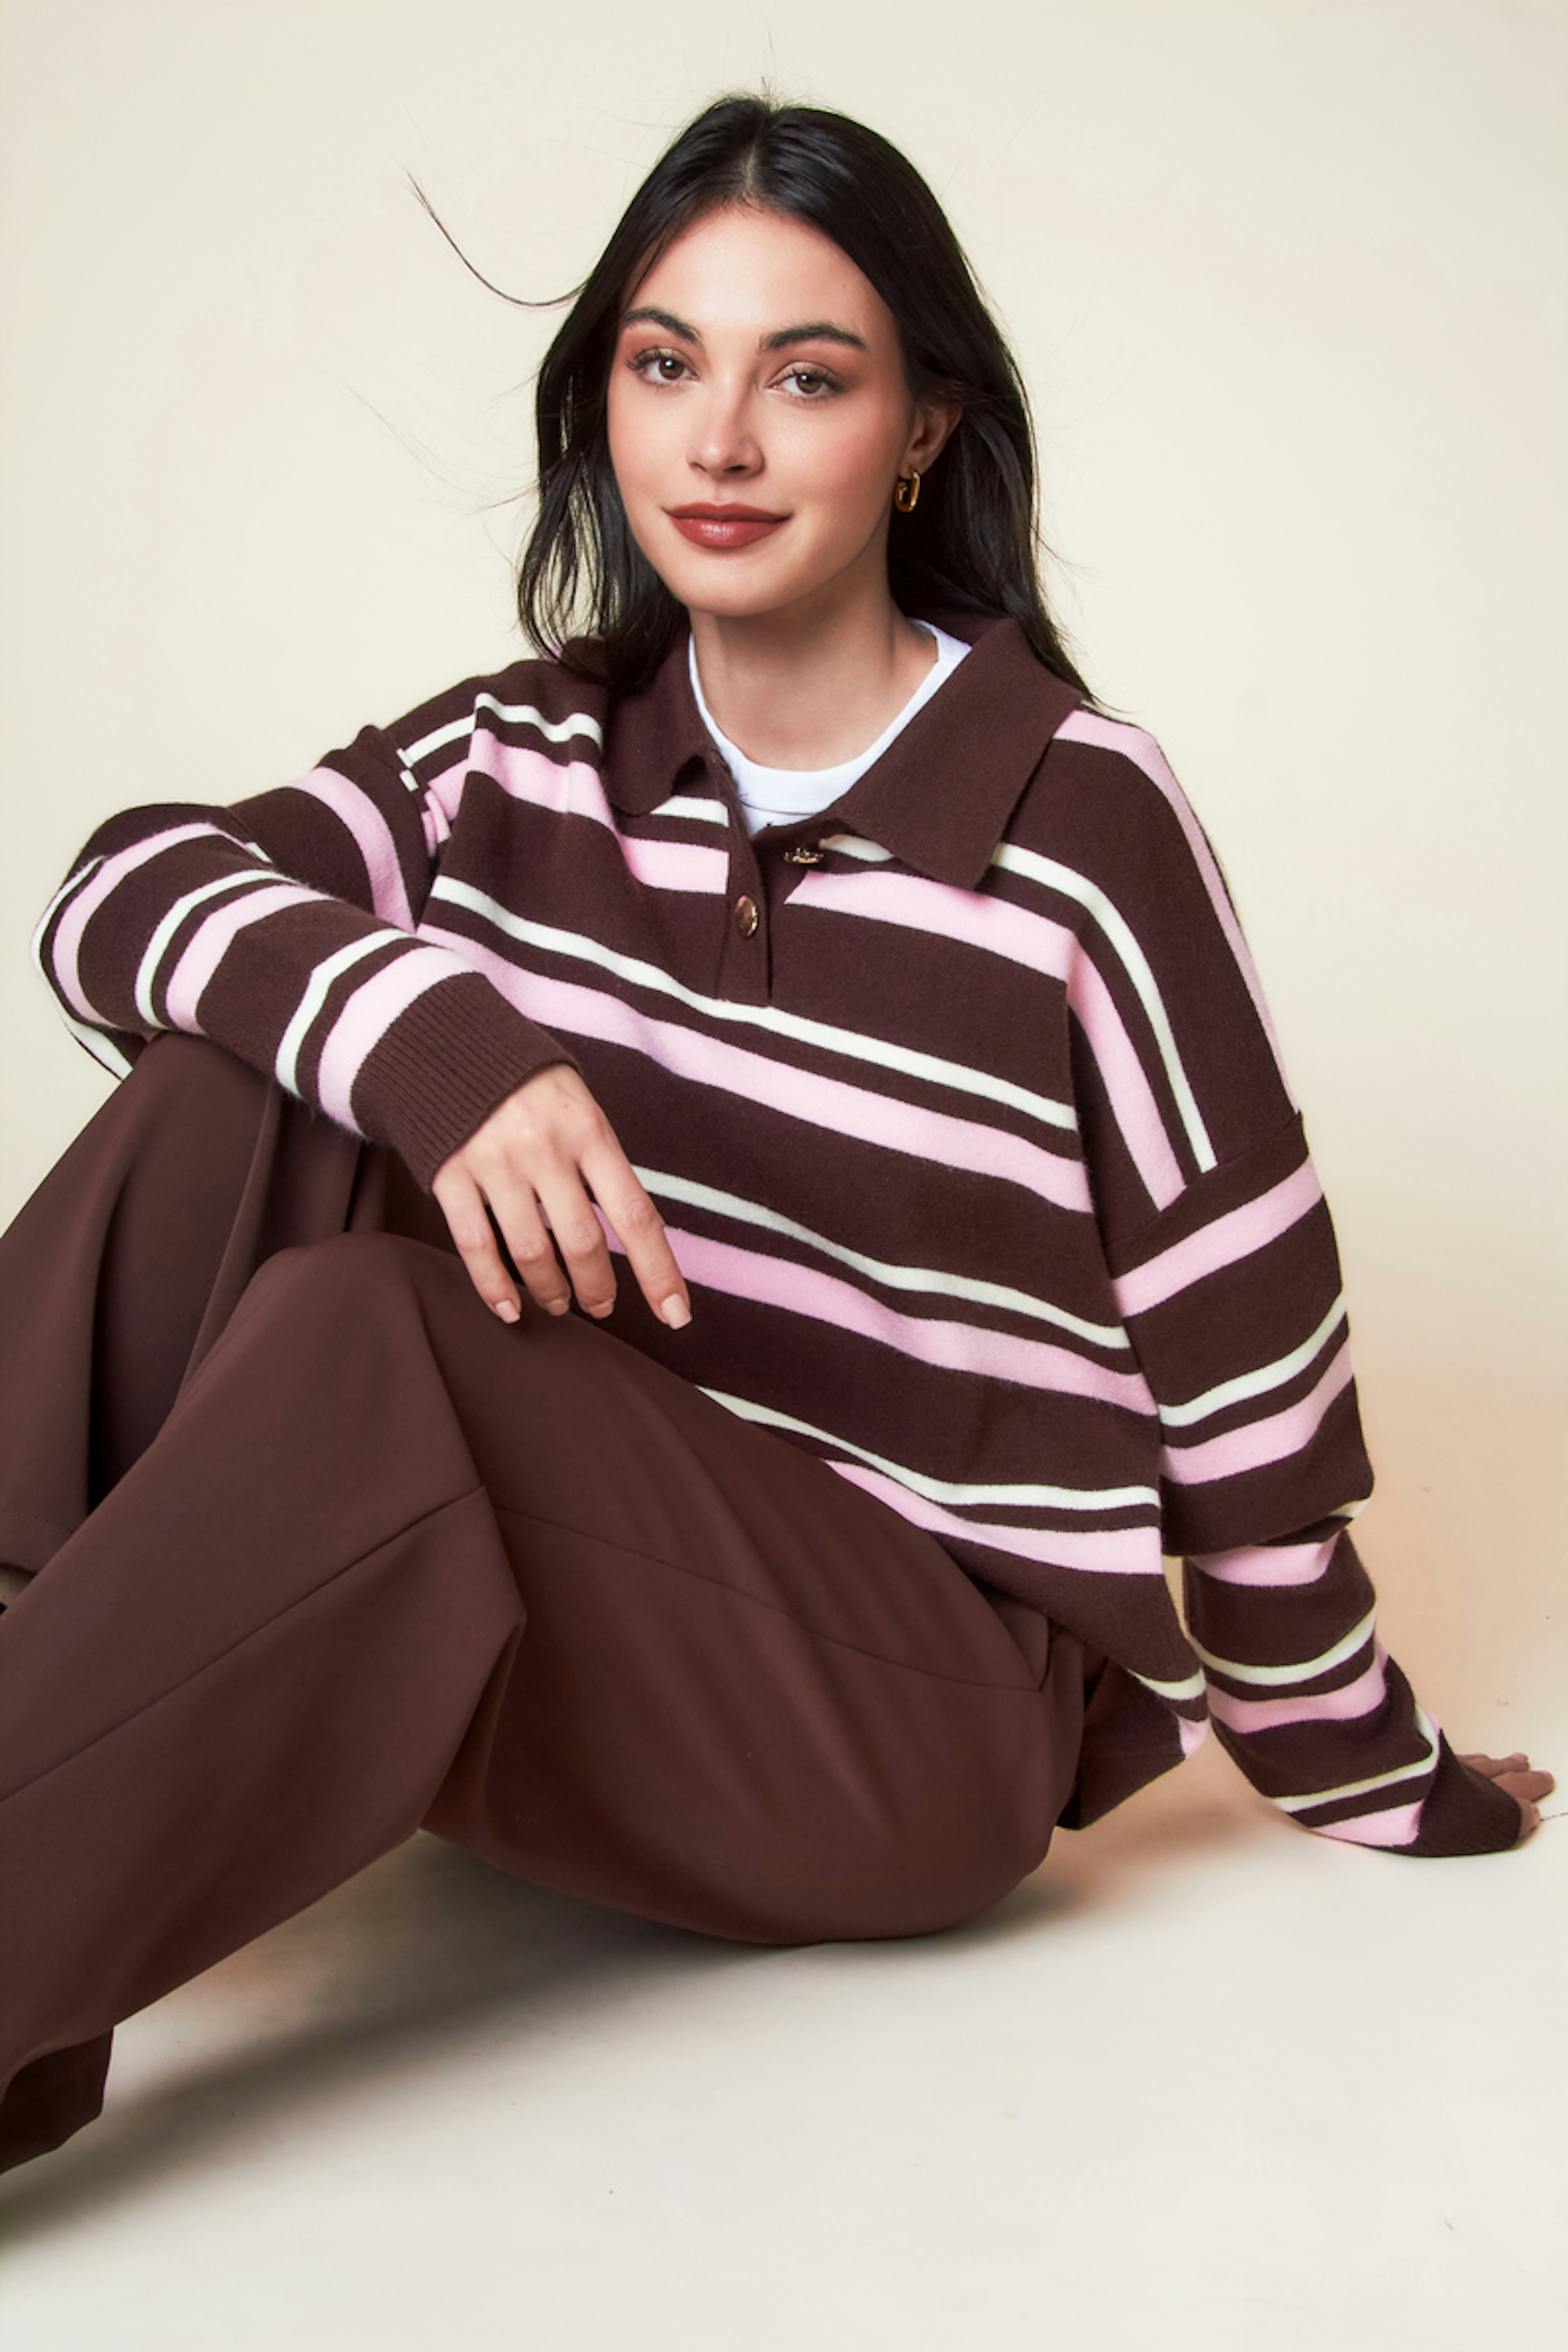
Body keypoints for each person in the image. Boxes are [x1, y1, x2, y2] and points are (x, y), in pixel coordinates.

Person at [0, 94, 1549, 2178]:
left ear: (920, 430)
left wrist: (1352, 1749)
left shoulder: (1075, 818)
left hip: (901, 1715)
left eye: (804, 378)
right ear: (607, 400)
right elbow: (115, 897)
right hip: (578, 1618)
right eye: (667, 364)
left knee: (378, 1329)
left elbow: (1240, 1335)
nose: (718, 442)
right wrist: (432, 1041)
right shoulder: (527, 747)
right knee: (242, 1079)